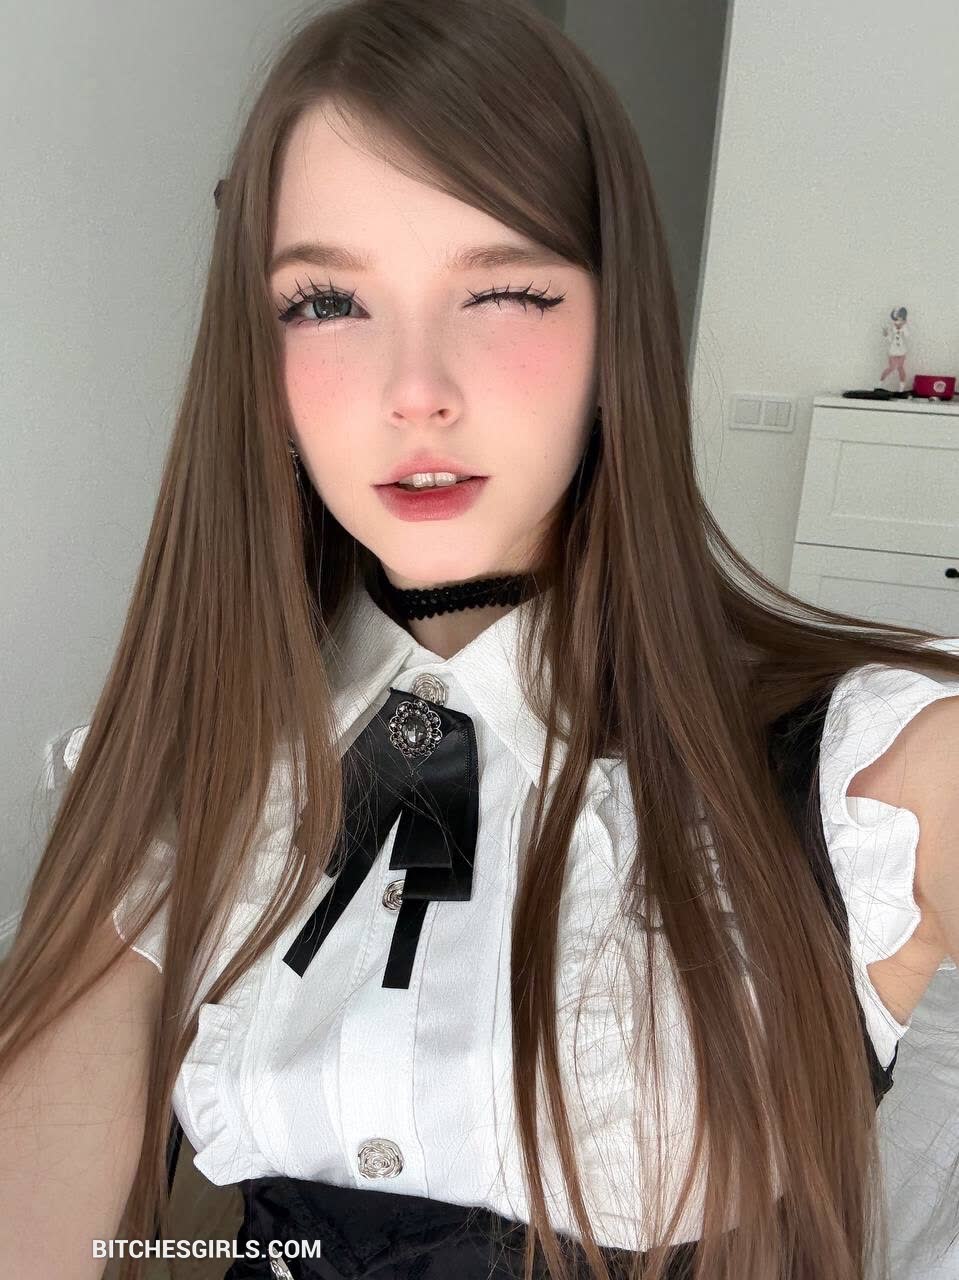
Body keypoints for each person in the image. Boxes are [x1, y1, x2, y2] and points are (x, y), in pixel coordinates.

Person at [2, 1, 958, 1278]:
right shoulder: (183, 771)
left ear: (615, 333)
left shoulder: (864, 772)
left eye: (503, 291)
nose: (415, 389)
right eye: (325, 300)